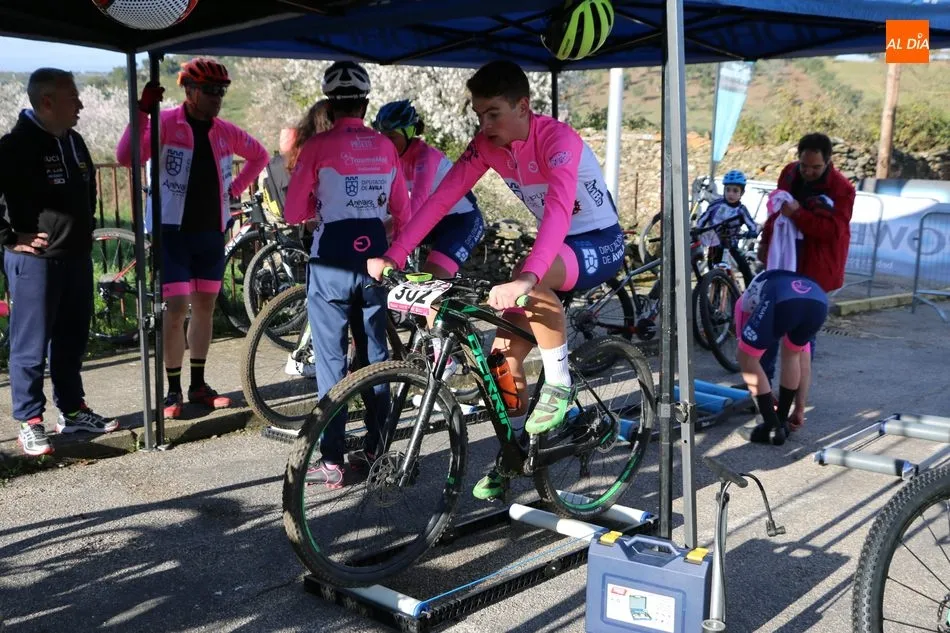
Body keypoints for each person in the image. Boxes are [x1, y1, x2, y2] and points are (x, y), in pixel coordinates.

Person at [367, 60, 624, 501]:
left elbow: (558, 211)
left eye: (493, 114)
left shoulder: (558, 140)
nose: (484, 126)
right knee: (502, 360)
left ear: (523, 106)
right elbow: (439, 201)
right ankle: (515, 451)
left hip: (598, 241)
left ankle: (560, 385)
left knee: (533, 283)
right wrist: (394, 254)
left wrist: (527, 277)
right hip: (554, 250)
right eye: (478, 114)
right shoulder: (488, 146)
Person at [116, 57, 268, 419]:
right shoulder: (166, 122)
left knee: (204, 309)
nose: (217, 97)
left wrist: (235, 190)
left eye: (221, 91)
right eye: (210, 90)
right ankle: (172, 390)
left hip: (211, 231)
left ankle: (198, 385)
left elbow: (260, 155)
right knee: (175, 311)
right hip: (172, 232)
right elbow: (126, 156)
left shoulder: (225, 130)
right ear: (189, 90)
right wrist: (142, 113)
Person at [283, 61, 411, 489]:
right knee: (376, 357)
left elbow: (293, 211)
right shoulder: (386, 146)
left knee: (331, 363)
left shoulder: (317, 146)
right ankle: (378, 450)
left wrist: (318, 208)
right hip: (375, 257)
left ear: (329, 106)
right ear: (366, 104)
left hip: (330, 260)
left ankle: (332, 460)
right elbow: (403, 211)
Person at [0, 68, 118, 456]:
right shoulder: (15, 145)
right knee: (30, 344)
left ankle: (72, 410)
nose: (81, 104)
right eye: (73, 97)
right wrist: (9, 237)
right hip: (36, 262)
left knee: (71, 339)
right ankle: (29, 421)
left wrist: (86, 229)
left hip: (76, 257)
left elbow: (88, 191)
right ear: (47, 102)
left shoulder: (74, 139)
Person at [371, 99, 486, 376]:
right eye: (382, 136)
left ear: (409, 133)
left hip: (460, 221)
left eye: (392, 137)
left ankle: (444, 359)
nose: (386, 143)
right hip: (429, 221)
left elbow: (417, 205)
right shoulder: (391, 158)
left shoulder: (426, 157)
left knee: (430, 283)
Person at [756, 133, 855, 429]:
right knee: (771, 325)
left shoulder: (843, 190)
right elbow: (776, 215)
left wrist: (798, 214)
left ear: (829, 162)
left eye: (816, 167)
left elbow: (832, 231)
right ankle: (762, 389)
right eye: (805, 165)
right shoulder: (789, 173)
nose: (809, 171)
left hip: (816, 270)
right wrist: (766, 242)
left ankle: (796, 405)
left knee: (800, 341)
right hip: (784, 263)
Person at [734, 270, 828, 446]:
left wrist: (762, 398)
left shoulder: (743, 302)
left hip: (782, 298)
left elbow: (745, 356)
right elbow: (804, 363)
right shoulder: (776, 281)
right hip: (819, 300)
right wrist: (799, 408)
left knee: (746, 357)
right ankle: (782, 421)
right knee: (792, 355)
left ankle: (770, 428)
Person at [695, 169, 757, 286]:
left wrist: (752, 232)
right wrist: (697, 229)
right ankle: (714, 294)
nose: (731, 194)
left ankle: (748, 294)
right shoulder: (715, 205)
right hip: (715, 245)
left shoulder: (741, 210)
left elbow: (752, 225)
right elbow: (703, 219)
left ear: (742, 193)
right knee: (712, 272)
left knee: (745, 269)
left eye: (735, 191)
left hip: (732, 245)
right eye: (728, 190)